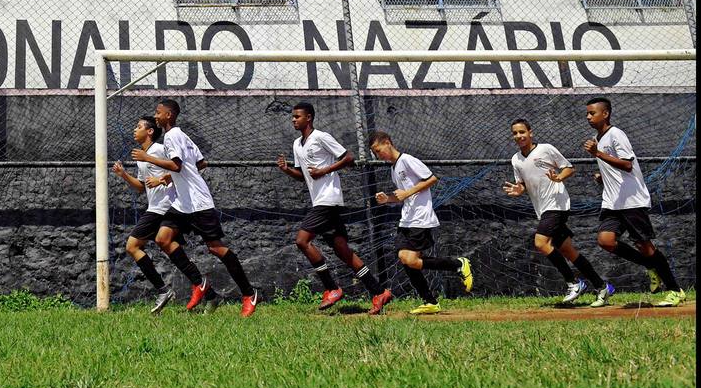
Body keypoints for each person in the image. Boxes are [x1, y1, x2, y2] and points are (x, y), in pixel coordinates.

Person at [133, 98, 260, 317]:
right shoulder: (183, 135)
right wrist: (169, 177)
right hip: (182, 203)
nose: (156, 116)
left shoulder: (172, 136)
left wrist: (148, 158)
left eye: (158, 113)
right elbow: (200, 163)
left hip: (198, 202)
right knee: (163, 239)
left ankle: (249, 293)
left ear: (169, 115)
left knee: (216, 248)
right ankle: (199, 284)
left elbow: (177, 165)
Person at [276, 102, 393, 314]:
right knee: (343, 251)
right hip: (320, 200)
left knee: (302, 240)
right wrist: (286, 170)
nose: (294, 119)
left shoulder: (321, 137)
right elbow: (303, 176)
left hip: (328, 199)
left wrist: (325, 170)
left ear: (309, 117)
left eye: (297, 116)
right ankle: (378, 292)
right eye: (292, 117)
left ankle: (332, 288)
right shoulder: (297, 144)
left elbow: (348, 157)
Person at [584, 97, 685, 307]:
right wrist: (603, 177)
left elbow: (627, 165)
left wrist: (598, 154)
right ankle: (650, 266)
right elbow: (614, 168)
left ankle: (675, 290)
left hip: (631, 201)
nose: (588, 117)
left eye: (592, 113)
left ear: (606, 114)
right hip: (612, 201)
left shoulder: (616, 134)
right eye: (587, 113)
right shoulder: (598, 137)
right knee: (605, 240)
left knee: (646, 246)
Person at [501, 118, 606, 304]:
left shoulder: (546, 149)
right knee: (568, 250)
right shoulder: (515, 159)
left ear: (530, 132)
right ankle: (602, 287)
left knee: (541, 243)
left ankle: (573, 283)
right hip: (542, 208)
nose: (519, 136)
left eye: (522, 132)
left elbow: (569, 168)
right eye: (515, 133)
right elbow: (522, 184)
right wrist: (520, 190)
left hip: (557, 204)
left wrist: (559, 177)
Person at [370, 131, 473, 315]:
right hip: (407, 219)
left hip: (420, 218)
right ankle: (429, 301)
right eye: (376, 153)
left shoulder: (407, 160)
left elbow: (432, 178)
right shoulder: (394, 169)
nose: (379, 155)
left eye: (379, 150)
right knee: (406, 259)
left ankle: (457, 264)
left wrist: (407, 193)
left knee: (410, 259)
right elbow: (402, 195)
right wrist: (388, 199)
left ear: (387, 142)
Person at [111, 115, 201, 314]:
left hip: (162, 208)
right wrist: (124, 174)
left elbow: (181, 168)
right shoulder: (144, 156)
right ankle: (207, 291)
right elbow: (142, 188)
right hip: (157, 207)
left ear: (149, 131)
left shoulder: (159, 150)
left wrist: (162, 180)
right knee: (172, 250)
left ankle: (162, 290)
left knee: (132, 246)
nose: (135, 130)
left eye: (138, 126)